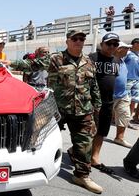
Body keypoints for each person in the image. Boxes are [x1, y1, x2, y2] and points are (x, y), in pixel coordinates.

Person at [48, 29, 103, 194]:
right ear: (67, 41)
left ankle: (82, 176)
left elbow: (93, 85)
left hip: (83, 110)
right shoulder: (56, 59)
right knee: (43, 139)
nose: (79, 41)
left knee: (85, 142)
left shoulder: (89, 62)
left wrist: (97, 104)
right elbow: (31, 64)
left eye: (82, 39)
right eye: (75, 39)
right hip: (58, 109)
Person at [88, 33, 120, 175]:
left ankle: (95, 157)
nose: (112, 46)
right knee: (88, 131)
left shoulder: (117, 60)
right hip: (91, 101)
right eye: (109, 43)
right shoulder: (91, 58)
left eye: (115, 44)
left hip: (108, 102)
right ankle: (77, 152)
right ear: (102, 44)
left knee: (102, 131)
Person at [112, 41, 133, 149]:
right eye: (126, 48)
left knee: (125, 115)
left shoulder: (122, 60)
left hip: (122, 95)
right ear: (118, 49)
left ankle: (119, 138)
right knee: (98, 121)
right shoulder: (109, 61)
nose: (128, 50)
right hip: (110, 96)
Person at [124, 38, 139, 128]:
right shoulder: (127, 53)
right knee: (125, 100)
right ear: (134, 44)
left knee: (134, 100)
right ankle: (118, 118)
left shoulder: (138, 55)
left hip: (137, 80)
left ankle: (128, 119)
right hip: (127, 79)